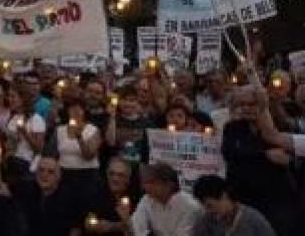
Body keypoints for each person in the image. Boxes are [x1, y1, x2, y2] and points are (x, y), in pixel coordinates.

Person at [220, 85, 297, 234]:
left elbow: (290, 156)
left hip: (277, 197)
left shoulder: (280, 126)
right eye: (242, 104)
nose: (247, 108)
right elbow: (230, 153)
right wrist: (265, 155)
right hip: (245, 195)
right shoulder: (232, 128)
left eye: (252, 104)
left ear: (262, 105)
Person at [0, 153, 83, 236]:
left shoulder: (69, 197)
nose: (44, 175)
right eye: (41, 170)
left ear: (58, 177)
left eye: (50, 172)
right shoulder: (27, 186)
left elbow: (75, 229)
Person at [127, 162, 202, 236]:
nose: (146, 187)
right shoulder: (147, 199)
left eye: (152, 182)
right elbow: (137, 228)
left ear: (169, 184)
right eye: (145, 183)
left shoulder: (189, 206)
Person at [190, 174, 275, 236]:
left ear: (224, 196)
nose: (208, 211)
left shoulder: (253, 220)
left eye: (210, 206)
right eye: (204, 207)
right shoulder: (206, 221)